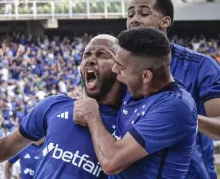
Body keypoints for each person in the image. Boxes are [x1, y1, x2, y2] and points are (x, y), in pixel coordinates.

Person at [0, 34, 122, 179]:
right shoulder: (55, 106)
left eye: (102, 54)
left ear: (120, 66)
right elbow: (4, 147)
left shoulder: (129, 121)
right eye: (87, 54)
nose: (91, 59)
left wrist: (93, 118)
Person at [74, 27, 198, 178]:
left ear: (146, 76)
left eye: (121, 67)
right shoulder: (139, 85)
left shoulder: (175, 107)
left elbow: (111, 162)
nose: (115, 70)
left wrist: (91, 115)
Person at [126, 0, 220, 179]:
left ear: (165, 21)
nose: (134, 19)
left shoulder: (200, 66)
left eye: (143, 13)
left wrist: (183, 116)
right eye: (130, 14)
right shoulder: (118, 68)